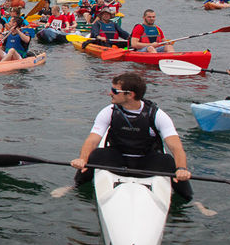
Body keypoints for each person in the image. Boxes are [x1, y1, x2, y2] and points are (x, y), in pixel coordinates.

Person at [60, 72, 209, 212]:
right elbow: (92, 140)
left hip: (147, 159)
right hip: (118, 156)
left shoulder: (157, 115)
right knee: (95, 155)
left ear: (130, 95)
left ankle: (191, 200)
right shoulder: (109, 111)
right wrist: (82, 159)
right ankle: (75, 185)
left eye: (114, 90)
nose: (110, 93)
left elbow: (176, 147)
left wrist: (181, 168)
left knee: (170, 162)